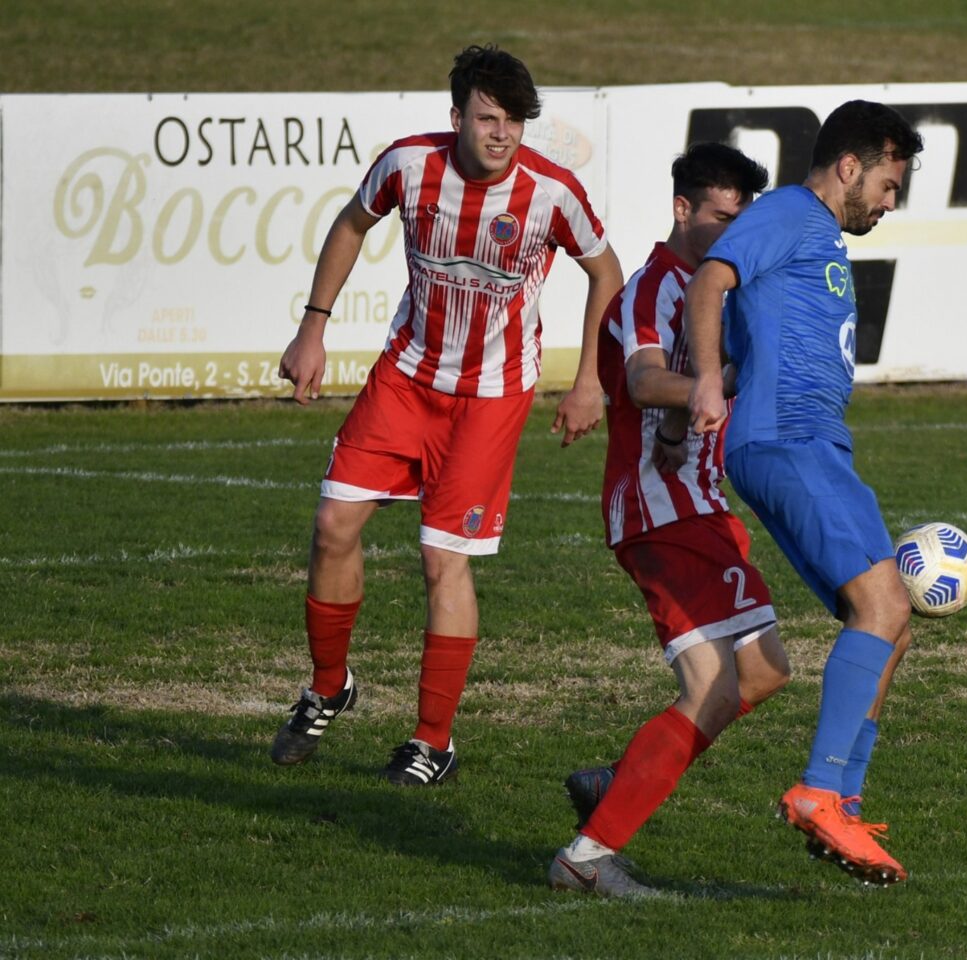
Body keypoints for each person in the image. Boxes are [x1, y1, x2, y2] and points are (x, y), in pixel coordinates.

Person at [269, 44, 623, 786]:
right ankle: (328, 686)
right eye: (489, 118)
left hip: (491, 399)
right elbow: (349, 224)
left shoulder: (552, 192)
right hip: (404, 379)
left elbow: (605, 270)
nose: (503, 135)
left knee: (442, 561)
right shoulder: (407, 165)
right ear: (456, 114)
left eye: (516, 122)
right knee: (333, 526)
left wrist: (590, 377)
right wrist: (313, 327)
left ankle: (434, 741)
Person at [685, 100, 924, 885]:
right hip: (785, 437)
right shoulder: (789, 211)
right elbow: (711, 278)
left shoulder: (817, 234)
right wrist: (710, 383)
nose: (890, 204)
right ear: (851, 166)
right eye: (889, 185)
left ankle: (842, 804)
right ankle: (820, 791)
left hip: (818, 443)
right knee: (882, 608)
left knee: (891, 625)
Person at [546, 143, 788, 898]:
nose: (734, 229)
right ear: (683, 209)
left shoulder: (718, 289)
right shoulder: (654, 287)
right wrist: (700, 393)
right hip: (660, 508)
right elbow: (647, 379)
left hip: (702, 505)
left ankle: (621, 781)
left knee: (764, 671)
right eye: (723, 215)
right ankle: (585, 861)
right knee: (714, 685)